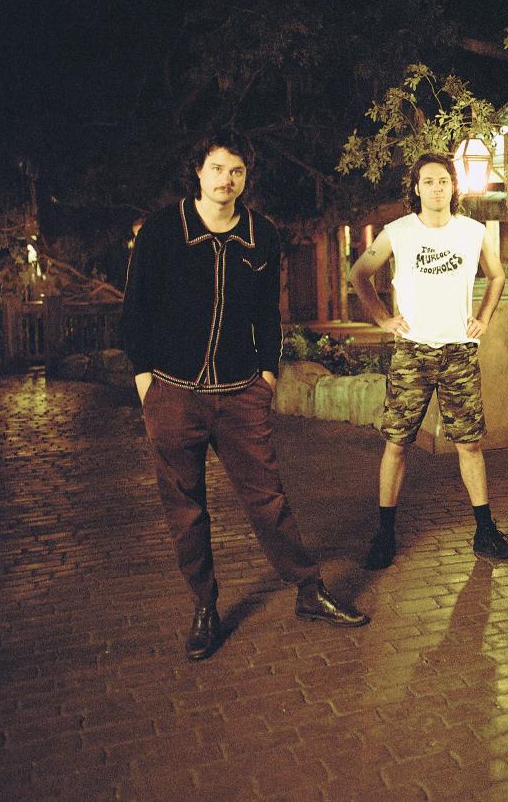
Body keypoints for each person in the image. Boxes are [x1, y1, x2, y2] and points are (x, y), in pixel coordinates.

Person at [121, 132, 369, 662]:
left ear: (245, 178)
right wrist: (146, 385)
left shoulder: (261, 234)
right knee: (185, 507)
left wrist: (267, 375)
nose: (226, 179)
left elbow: (267, 313)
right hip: (174, 391)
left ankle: (309, 590)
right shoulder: (164, 230)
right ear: (199, 172)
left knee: (268, 499)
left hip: (240, 394)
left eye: (236, 171)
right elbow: (136, 309)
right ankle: (204, 606)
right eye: (217, 168)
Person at [349, 152, 508, 569]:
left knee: (469, 444)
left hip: (459, 351)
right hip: (412, 351)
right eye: (428, 181)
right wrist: (383, 318)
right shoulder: (398, 232)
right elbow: (359, 274)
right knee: (397, 443)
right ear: (416, 188)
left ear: (453, 186)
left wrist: (484, 317)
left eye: (443, 181)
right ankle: (385, 533)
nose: (437, 188)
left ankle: (485, 530)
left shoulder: (473, 232)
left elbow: (497, 276)